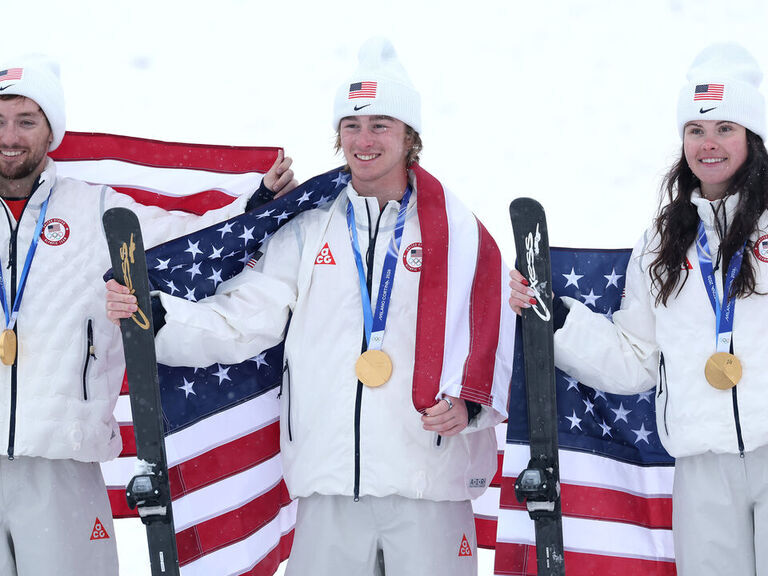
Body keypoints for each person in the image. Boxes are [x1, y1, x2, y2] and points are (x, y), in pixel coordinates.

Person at [107, 37, 514, 576]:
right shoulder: (308, 227)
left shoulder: (460, 235)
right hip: (327, 482)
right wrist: (160, 317)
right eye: (351, 125)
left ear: (410, 137)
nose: (363, 140)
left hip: (429, 481)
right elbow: (245, 319)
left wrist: (472, 407)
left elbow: (493, 335)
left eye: (380, 125)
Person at [0, 56, 296, 576]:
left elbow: (187, 241)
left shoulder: (96, 210)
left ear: (52, 131)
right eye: (0, 121)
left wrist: (256, 204)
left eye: (27, 121)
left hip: (63, 460)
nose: (10, 136)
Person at [509, 42, 768, 576]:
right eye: (695, 130)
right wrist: (554, 316)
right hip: (699, 466)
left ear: (753, 137)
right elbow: (635, 358)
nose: (708, 143)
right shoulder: (663, 241)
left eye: (725, 128)